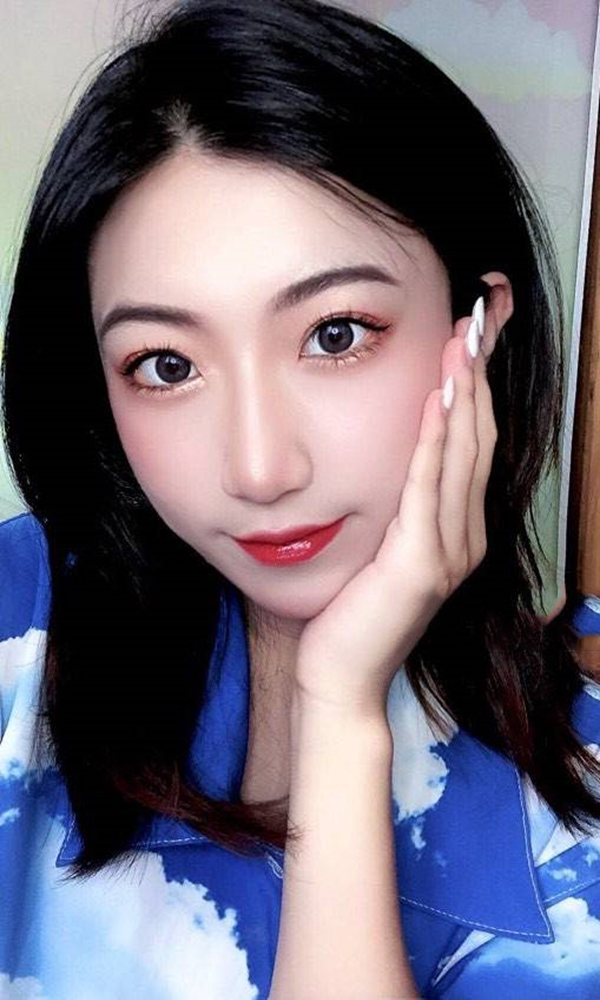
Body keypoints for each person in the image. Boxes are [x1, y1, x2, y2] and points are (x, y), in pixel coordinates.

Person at [1, 0, 598, 996]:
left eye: (334, 335)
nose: (259, 467)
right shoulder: (15, 636)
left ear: (479, 331)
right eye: (165, 364)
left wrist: (340, 706)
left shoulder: (579, 819)